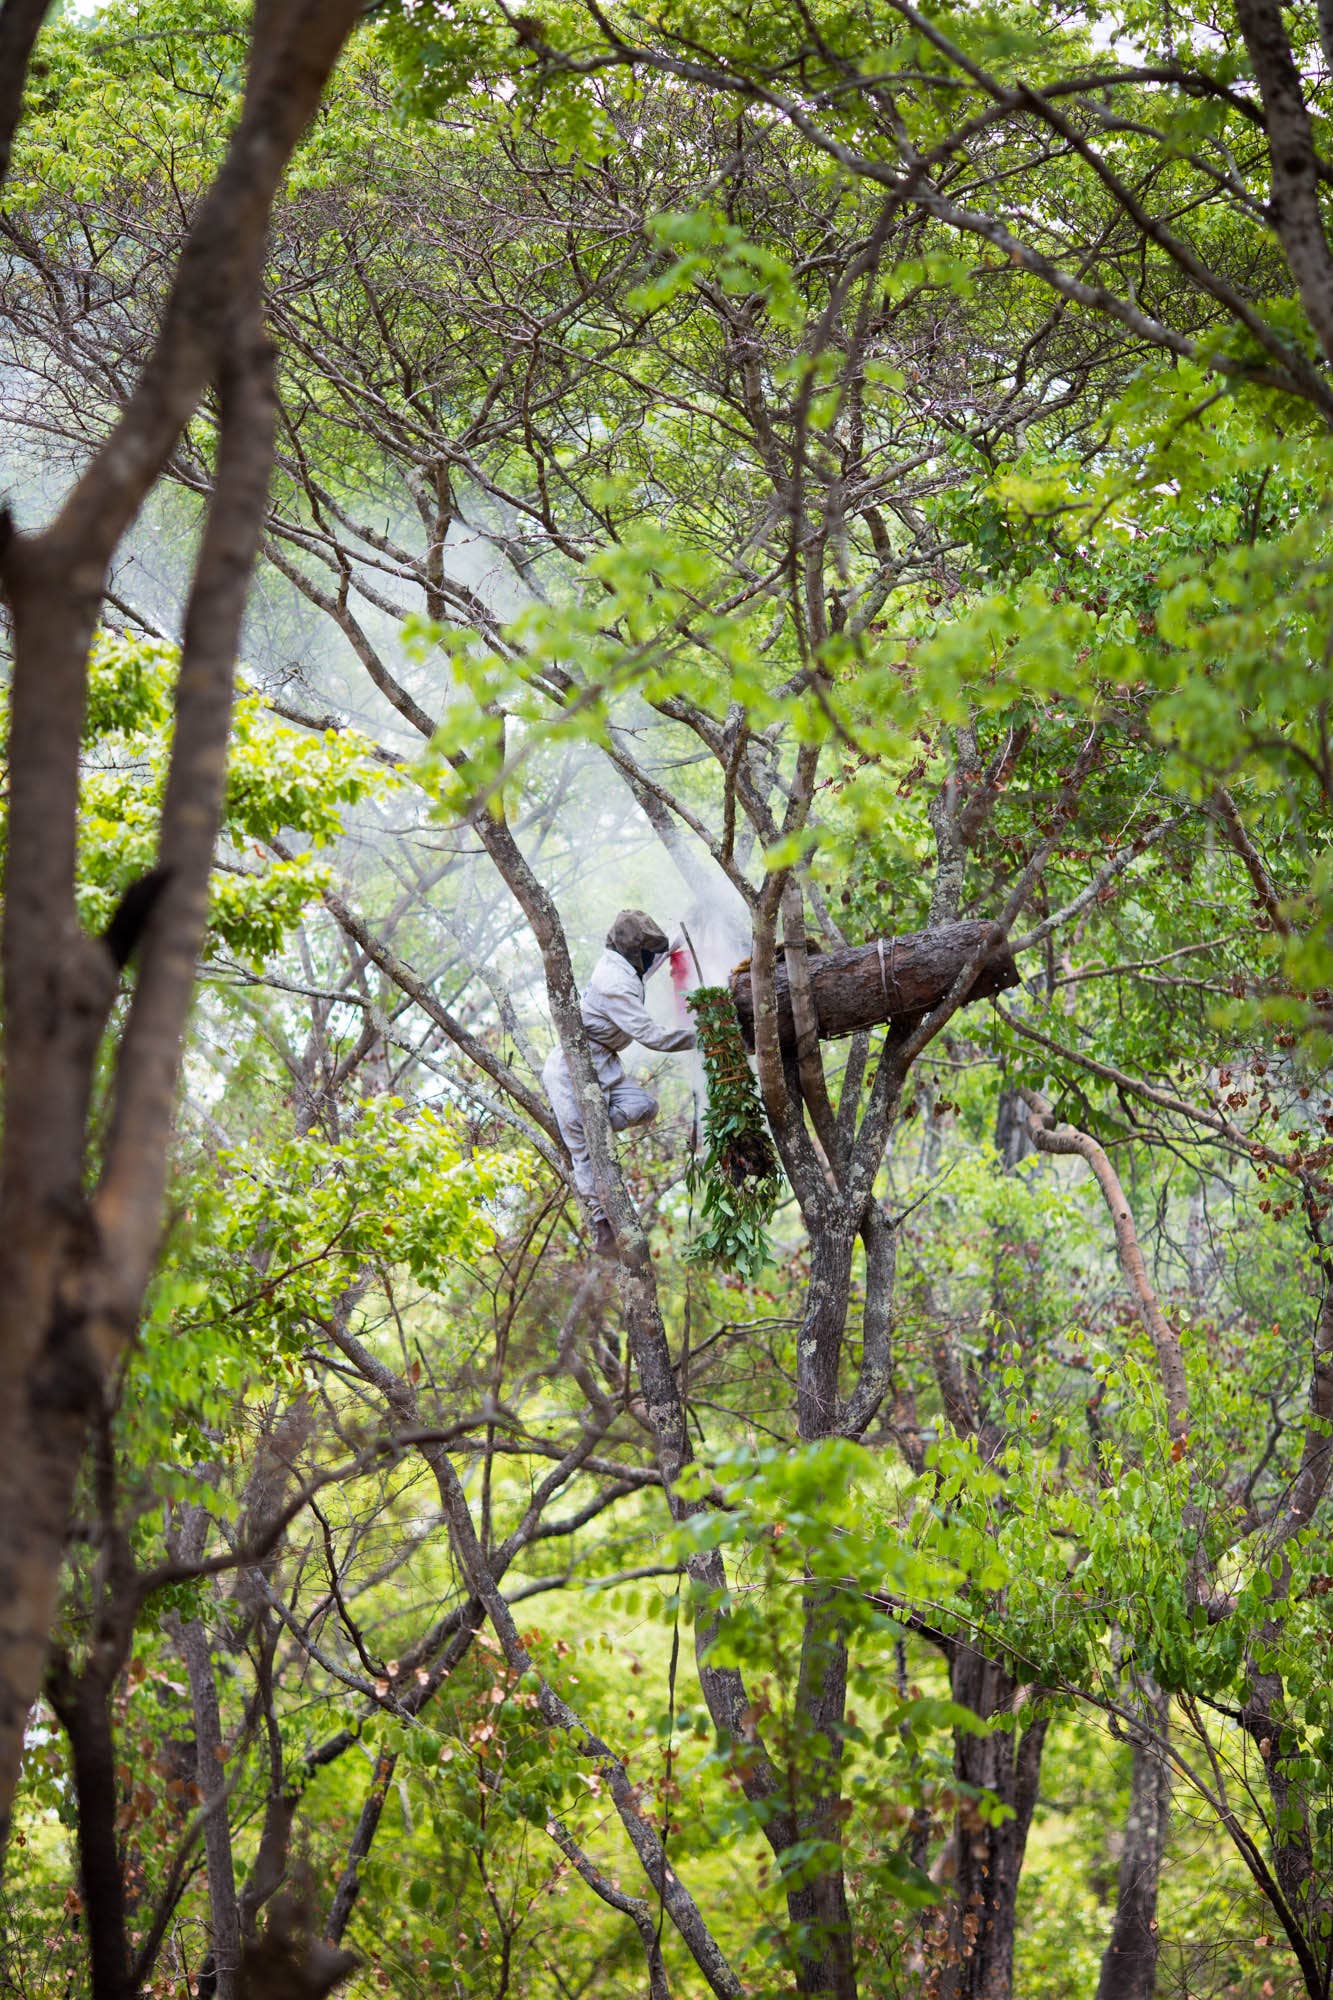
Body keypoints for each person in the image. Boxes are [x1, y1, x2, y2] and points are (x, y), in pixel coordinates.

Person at [543, 909, 697, 1257]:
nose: (650, 958)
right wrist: (701, 1036)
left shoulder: (628, 964)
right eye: (646, 951)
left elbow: (655, 959)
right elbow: (651, 1035)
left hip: (606, 1065)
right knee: (584, 1151)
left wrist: (687, 923)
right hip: (571, 1072)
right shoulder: (613, 982)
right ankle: (602, 1226)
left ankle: (590, 1125)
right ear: (633, 952)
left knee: (645, 1106)